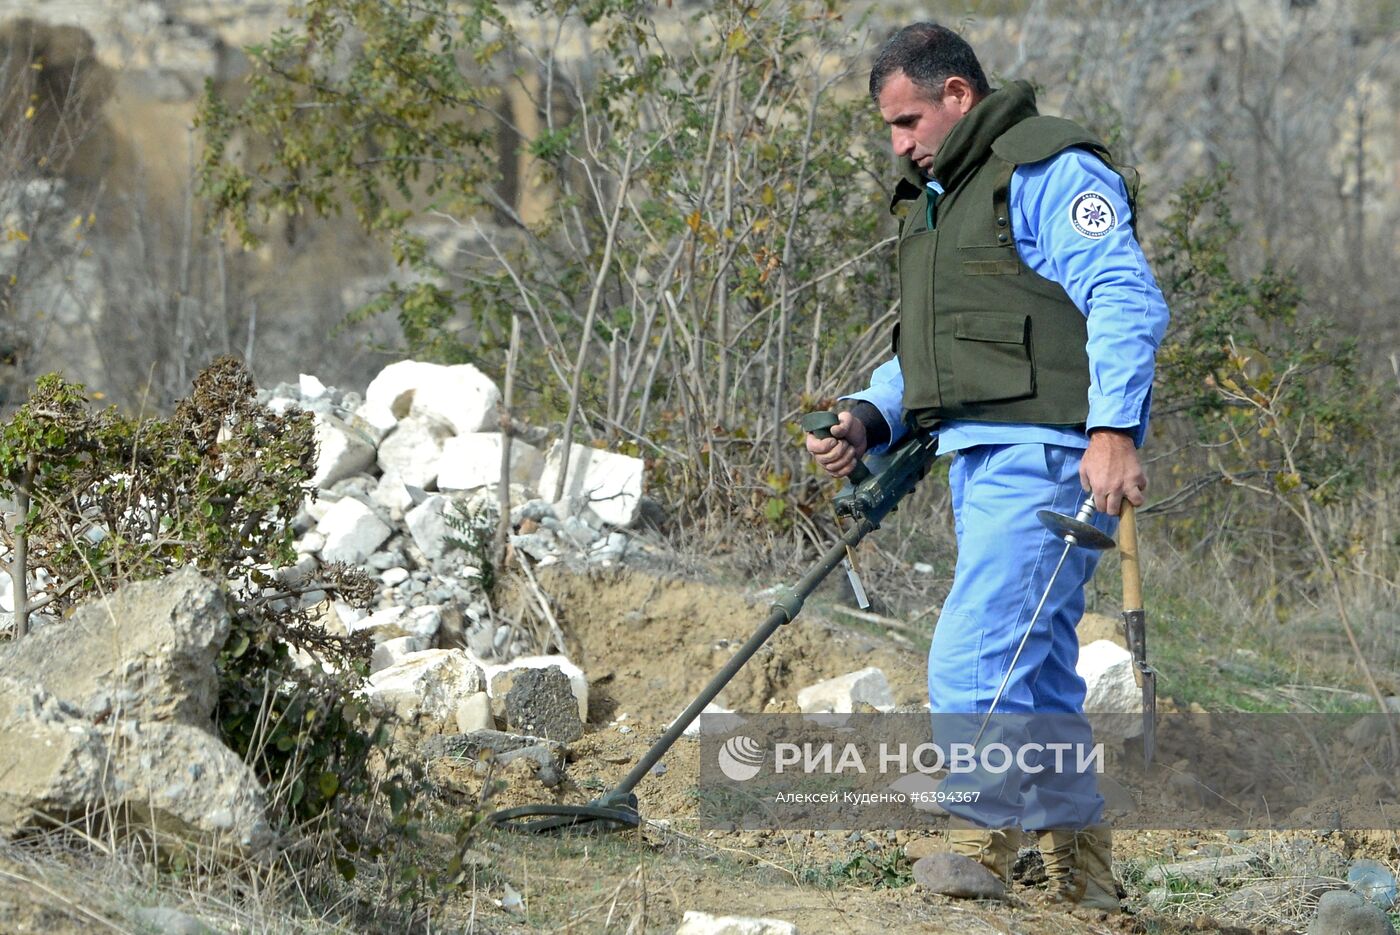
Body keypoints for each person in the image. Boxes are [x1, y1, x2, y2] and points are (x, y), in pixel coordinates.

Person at [806, 23, 1169, 910]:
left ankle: (975, 857)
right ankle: (1084, 883)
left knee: (975, 653)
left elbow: (1125, 294)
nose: (898, 142)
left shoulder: (1048, 170)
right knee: (1035, 671)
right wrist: (870, 414)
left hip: (1049, 455)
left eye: (906, 120)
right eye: (890, 127)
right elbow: (942, 343)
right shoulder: (948, 194)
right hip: (987, 456)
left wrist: (1114, 429)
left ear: (957, 95)